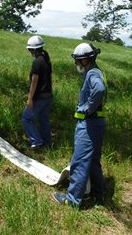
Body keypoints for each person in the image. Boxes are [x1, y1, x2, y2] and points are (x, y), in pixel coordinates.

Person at [53, 43, 107, 208]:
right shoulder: (97, 71)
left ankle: (73, 199)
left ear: (86, 60)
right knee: (93, 161)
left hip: (89, 124)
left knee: (80, 160)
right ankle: (99, 194)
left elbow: (99, 89)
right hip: (98, 123)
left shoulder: (92, 73)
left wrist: (87, 108)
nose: (77, 64)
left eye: (78, 60)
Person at [22, 35, 53, 148]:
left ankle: (36, 141)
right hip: (48, 96)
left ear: (33, 49)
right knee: (43, 119)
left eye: (30, 49)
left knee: (26, 118)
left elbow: (34, 82)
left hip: (39, 97)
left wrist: (30, 98)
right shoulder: (46, 60)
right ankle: (48, 143)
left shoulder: (37, 62)